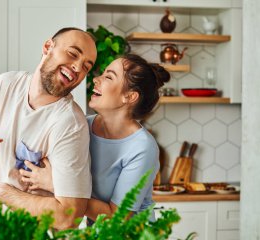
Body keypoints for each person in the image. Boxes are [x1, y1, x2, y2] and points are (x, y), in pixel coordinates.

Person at [0, 27, 97, 230]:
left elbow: (69, 216)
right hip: (1, 235)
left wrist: (4, 194)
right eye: (73, 54)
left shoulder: (70, 123)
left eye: (86, 67)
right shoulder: (7, 85)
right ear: (48, 47)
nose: (77, 67)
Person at [20, 54, 170, 222]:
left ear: (129, 97)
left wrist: (59, 186)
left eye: (108, 76)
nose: (97, 79)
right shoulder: (80, 125)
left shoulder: (143, 148)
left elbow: (118, 218)